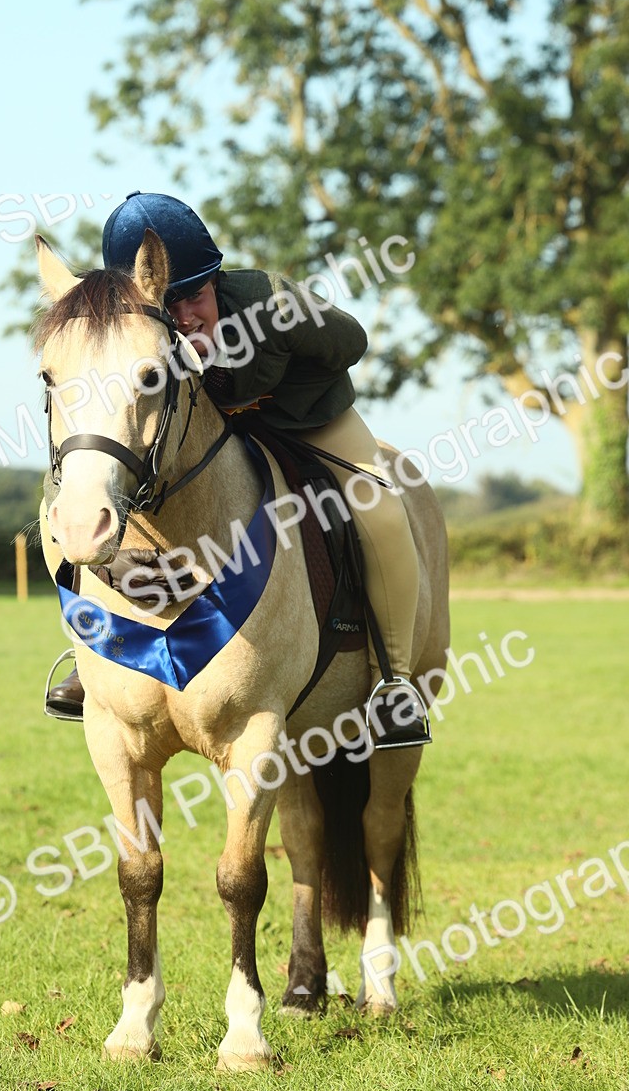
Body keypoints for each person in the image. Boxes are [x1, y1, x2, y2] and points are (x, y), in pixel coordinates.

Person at [44, 191, 430, 749]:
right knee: (71, 496)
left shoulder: (271, 303)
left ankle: (395, 685)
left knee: (383, 509)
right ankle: (95, 660)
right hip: (201, 438)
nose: (182, 318)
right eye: (165, 304)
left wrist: (275, 379)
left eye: (194, 297)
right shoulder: (136, 335)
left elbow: (351, 341)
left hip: (303, 419)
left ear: (217, 281)